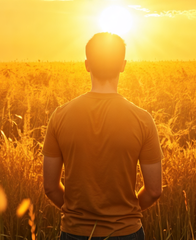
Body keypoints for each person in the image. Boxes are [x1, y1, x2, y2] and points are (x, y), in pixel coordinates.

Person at [43, 32, 163, 240]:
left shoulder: (60, 116)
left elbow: (50, 187)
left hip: (74, 232)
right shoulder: (142, 119)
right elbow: (153, 191)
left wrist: (78, 214)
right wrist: (125, 214)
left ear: (87, 64)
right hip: (126, 232)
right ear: (123, 65)